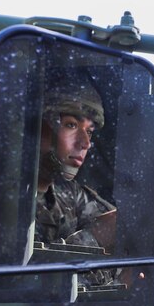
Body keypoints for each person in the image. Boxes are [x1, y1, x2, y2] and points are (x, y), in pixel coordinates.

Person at [34, 82, 117, 253]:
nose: (85, 143)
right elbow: (20, 275)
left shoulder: (68, 193)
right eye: (71, 125)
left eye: (89, 132)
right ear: (40, 127)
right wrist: (93, 238)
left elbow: (116, 222)